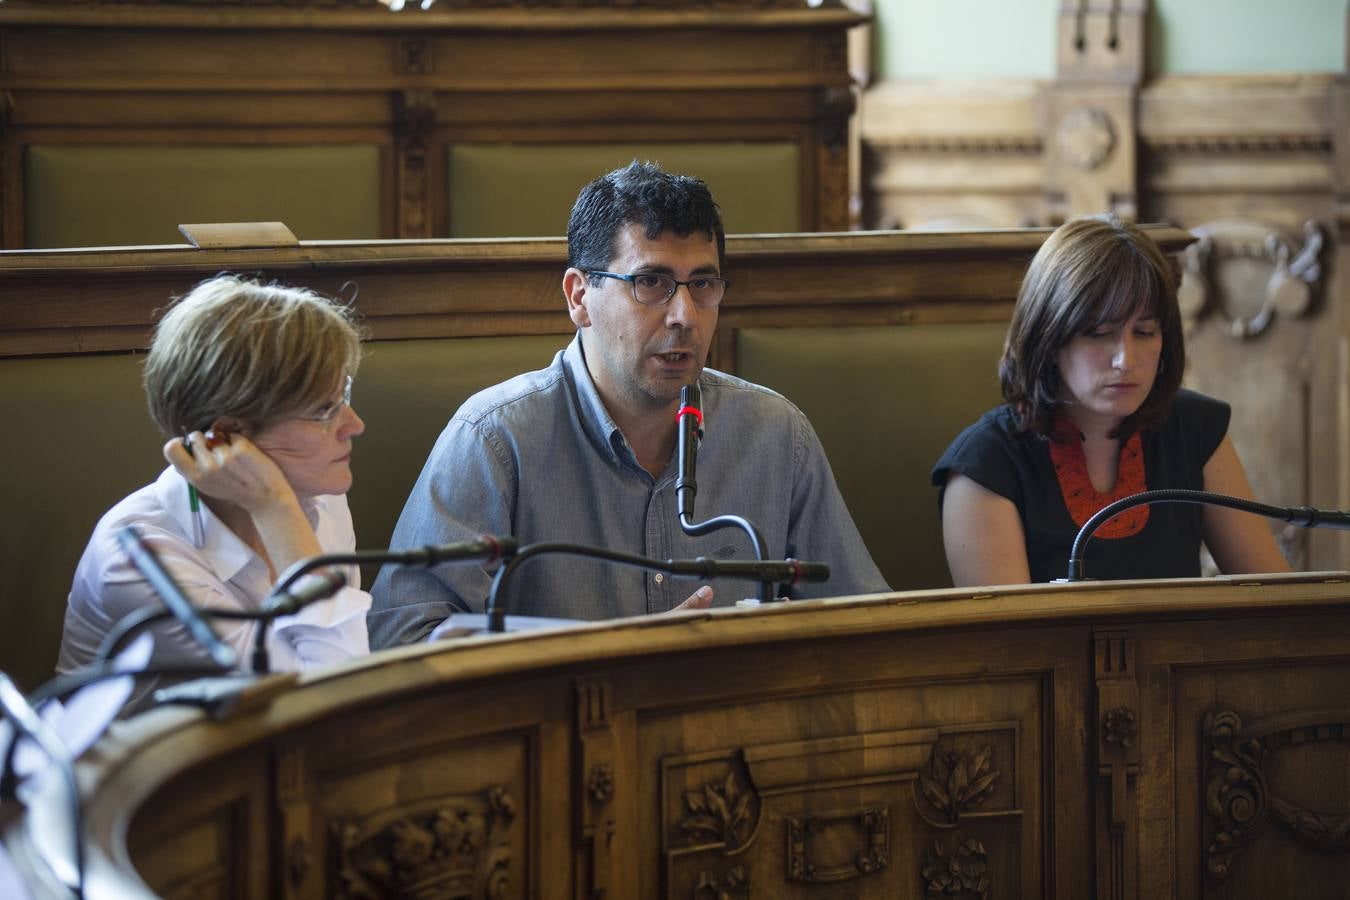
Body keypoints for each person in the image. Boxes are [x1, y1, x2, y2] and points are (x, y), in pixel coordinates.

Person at [368, 161, 887, 646]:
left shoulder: (775, 434)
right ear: (579, 297)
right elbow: (405, 639)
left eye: (702, 284)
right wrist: (620, 657)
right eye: (652, 283)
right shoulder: (494, 439)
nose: (684, 314)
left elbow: (864, 629)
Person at [59, 275, 372, 711]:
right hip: (138, 776)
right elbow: (328, 704)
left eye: (344, 396)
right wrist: (274, 508)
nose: (354, 425)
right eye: (324, 410)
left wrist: (282, 507)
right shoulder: (139, 553)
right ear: (226, 436)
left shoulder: (320, 497)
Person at [932, 214, 1290, 586]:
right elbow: (1011, 642)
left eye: (1145, 332)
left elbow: (1278, 607)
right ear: (1048, 338)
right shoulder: (985, 464)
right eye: (1100, 333)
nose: (1126, 360)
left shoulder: (1195, 428)